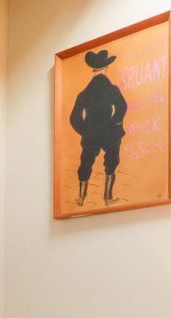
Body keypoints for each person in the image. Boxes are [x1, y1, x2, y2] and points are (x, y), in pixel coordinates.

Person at [68, 49, 127, 206]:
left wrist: (85, 130)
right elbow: (122, 106)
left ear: (93, 70)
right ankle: (108, 197)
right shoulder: (111, 88)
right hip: (109, 132)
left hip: (91, 134)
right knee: (112, 161)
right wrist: (116, 123)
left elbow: (74, 118)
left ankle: (81, 198)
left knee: (86, 162)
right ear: (106, 68)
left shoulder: (84, 93)